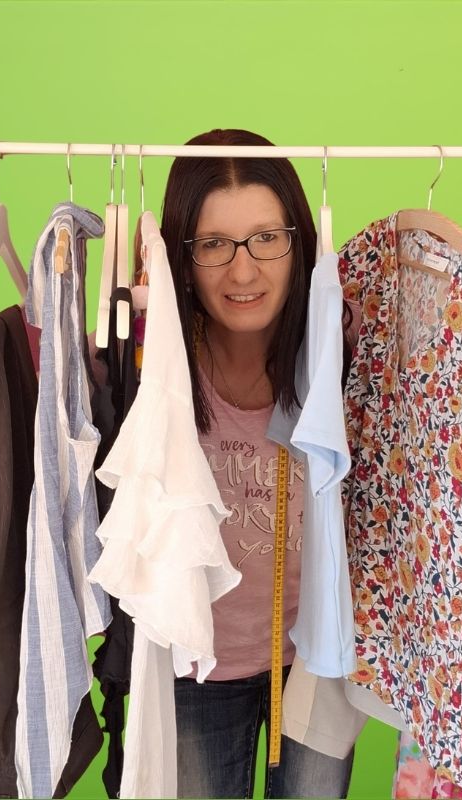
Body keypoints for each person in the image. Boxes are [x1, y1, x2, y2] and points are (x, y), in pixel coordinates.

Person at [159, 128, 354, 799]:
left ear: (300, 241)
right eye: (215, 244)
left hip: (317, 663)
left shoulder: (342, 356)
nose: (243, 272)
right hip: (193, 670)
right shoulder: (150, 374)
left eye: (267, 238)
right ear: (182, 255)